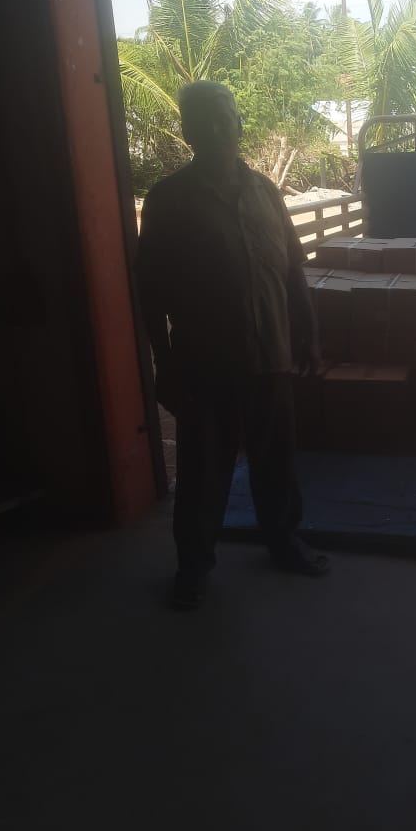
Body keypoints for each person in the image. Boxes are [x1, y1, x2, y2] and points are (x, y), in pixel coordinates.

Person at [136, 80, 328, 609]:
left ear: (240, 123)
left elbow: (292, 271)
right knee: (203, 470)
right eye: (207, 118)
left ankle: (283, 541)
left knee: (276, 459)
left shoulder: (266, 192)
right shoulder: (168, 199)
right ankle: (193, 567)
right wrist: (163, 363)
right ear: (189, 130)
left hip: (272, 354)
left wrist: (309, 334)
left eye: (228, 115)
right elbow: (150, 292)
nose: (221, 126)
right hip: (205, 362)